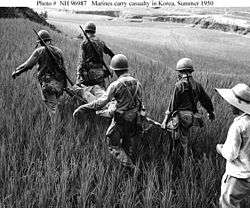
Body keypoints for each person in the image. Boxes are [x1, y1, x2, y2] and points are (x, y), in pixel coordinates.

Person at [73, 54, 144, 168]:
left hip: (121, 120)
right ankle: (129, 167)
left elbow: (101, 102)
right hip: (134, 119)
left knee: (113, 145)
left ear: (115, 70)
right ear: (126, 68)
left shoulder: (116, 85)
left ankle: (132, 168)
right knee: (126, 143)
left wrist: (84, 107)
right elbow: (140, 104)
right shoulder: (137, 83)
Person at [161, 58, 215, 174]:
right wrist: (210, 112)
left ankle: (177, 167)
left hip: (179, 118)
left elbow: (172, 106)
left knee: (175, 142)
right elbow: (206, 100)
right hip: (190, 118)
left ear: (180, 72)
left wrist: (165, 121)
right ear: (191, 71)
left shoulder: (179, 85)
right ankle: (180, 163)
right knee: (183, 139)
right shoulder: (197, 85)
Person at [12, 30, 67, 118]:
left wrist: (16, 71)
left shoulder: (40, 51)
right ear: (49, 40)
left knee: (53, 109)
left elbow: (27, 65)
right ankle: (59, 124)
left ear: (40, 42)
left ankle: (56, 129)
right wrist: (64, 85)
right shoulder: (59, 51)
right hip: (59, 84)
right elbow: (64, 69)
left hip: (48, 85)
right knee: (55, 104)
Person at [216, 83, 250, 208]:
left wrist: (220, 149)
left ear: (238, 104)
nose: (230, 105)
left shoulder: (238, 125)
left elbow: (231, 154)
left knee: (228, 204)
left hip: (238, 175)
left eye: (232, 103)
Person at [75, 21, 114, 103]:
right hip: (100, 73)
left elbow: (81, 62)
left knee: (87, 96)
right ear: (94, 31)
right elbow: (112, 54)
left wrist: (78, 78)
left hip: (88, 75)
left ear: (86, 31)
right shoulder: (101, 42)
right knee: (102, 96)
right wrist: (111, 69)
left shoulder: (84, 43)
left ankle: (89, 111)